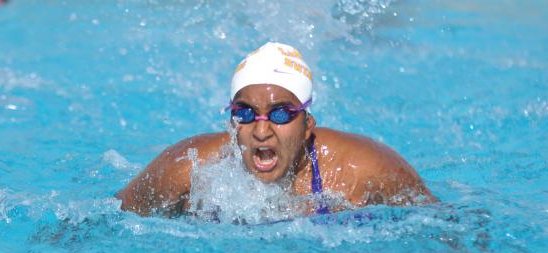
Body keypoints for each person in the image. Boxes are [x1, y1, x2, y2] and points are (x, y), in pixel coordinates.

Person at [116, 42, 436, 217]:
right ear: (232, 124)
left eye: (281, 113)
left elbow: (448, 226)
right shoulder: (189, 168)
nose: (261, 130)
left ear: (307, 124)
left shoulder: (364, 168)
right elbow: (107, 219)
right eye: (245, 113)